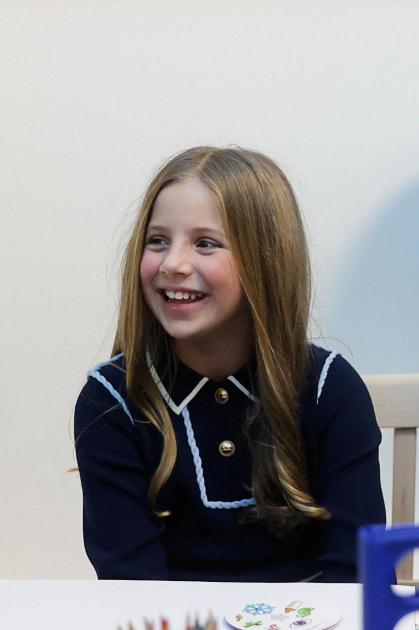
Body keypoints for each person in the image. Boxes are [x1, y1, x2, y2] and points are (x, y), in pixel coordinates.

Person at [74, 146, 385, 582]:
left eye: (205, 243)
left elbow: (356, 574)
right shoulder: (111, 401)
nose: (173, 263)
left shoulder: (329, 387)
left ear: (266, 261)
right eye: (157, 240)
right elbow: (131, 583)